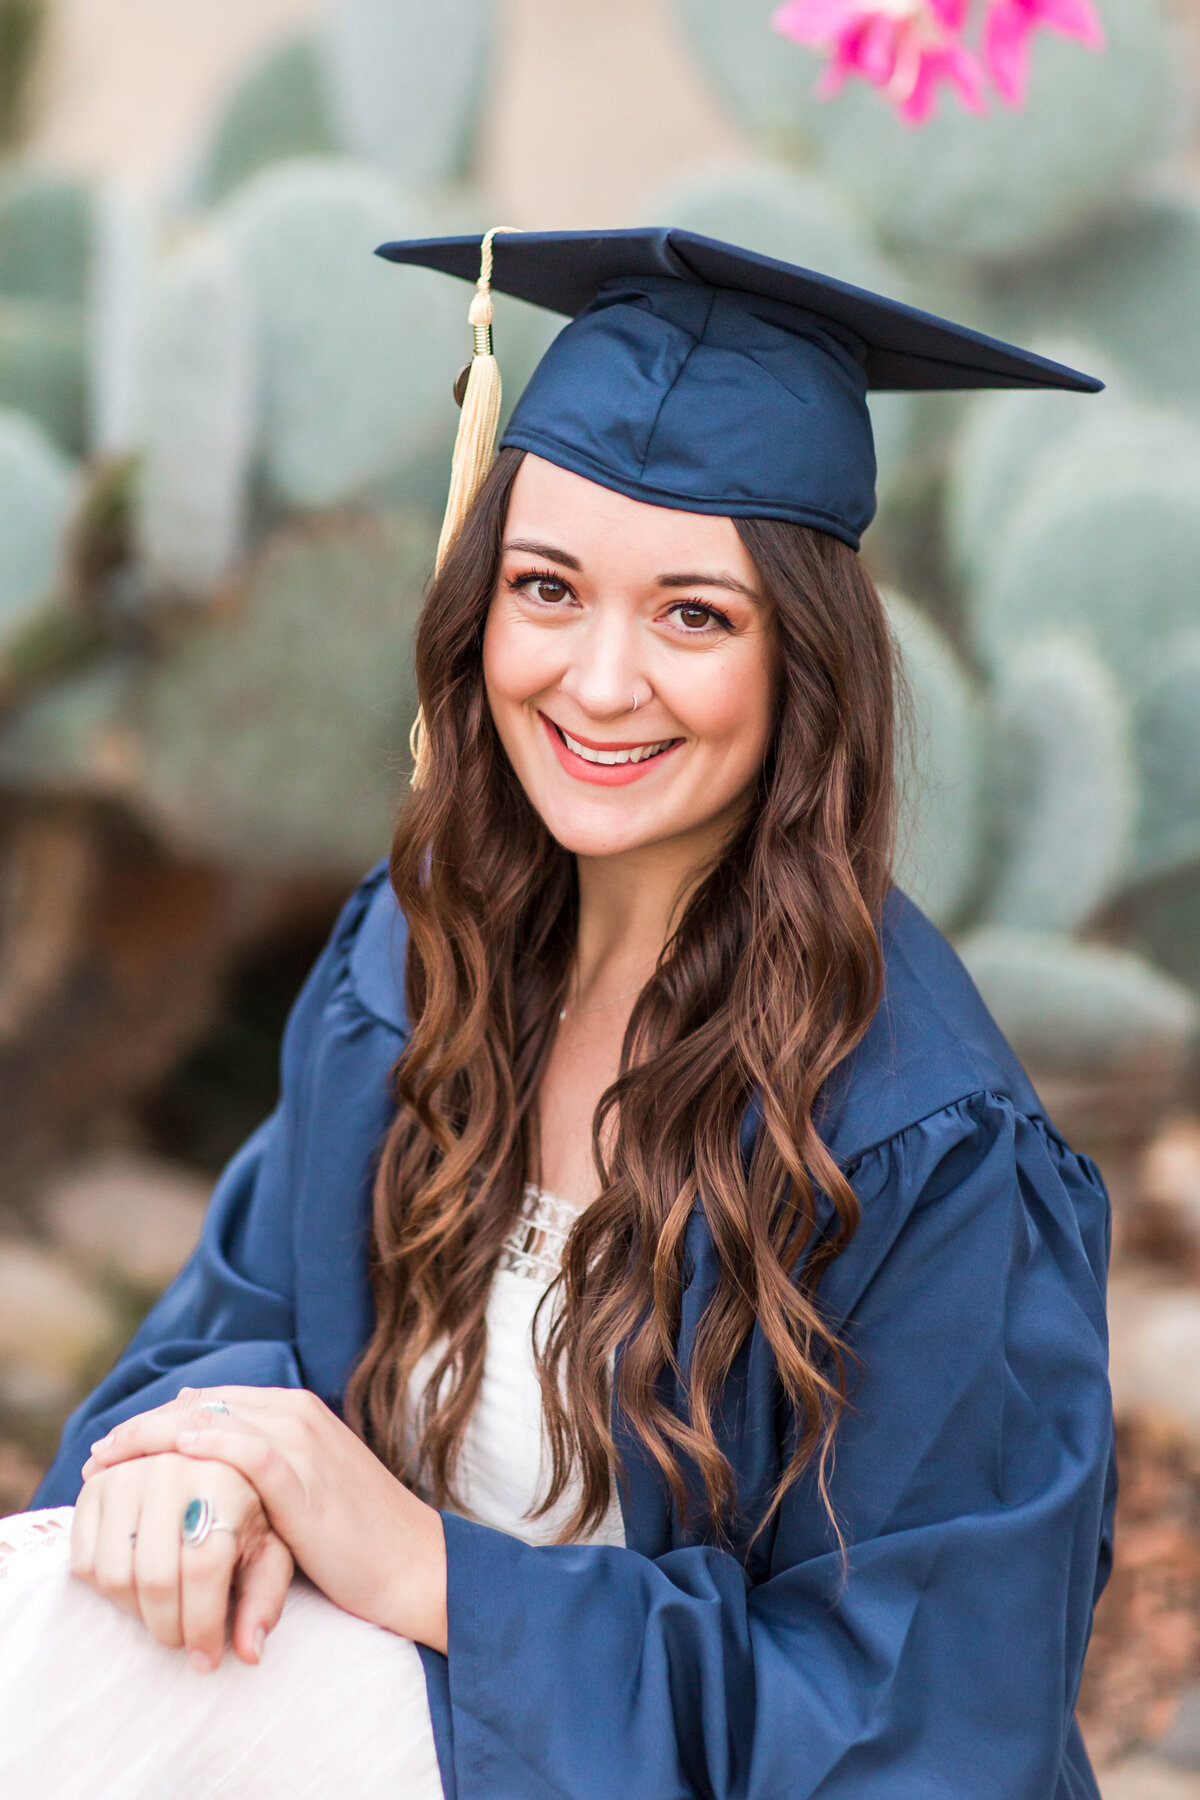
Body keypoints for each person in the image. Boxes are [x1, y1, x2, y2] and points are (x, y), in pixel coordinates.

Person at [0, 228, 1114, 1800]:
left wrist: (433, 1574)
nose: (596, 683)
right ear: (480, 608)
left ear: (811, 667)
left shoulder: (925, 1149)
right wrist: (197, 1461)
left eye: (693, 616)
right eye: (548, 587)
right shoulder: (414, 956)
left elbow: (921, 1730)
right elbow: (236, 1321)